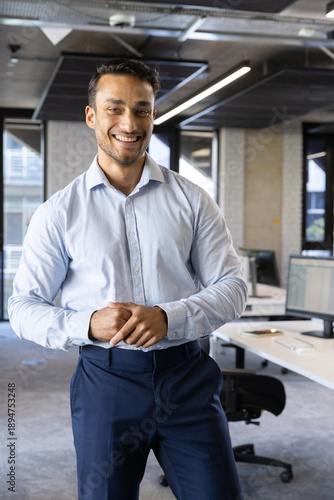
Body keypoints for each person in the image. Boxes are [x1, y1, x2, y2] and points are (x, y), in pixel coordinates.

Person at [8, 58, 247, 500]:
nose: (129, 123)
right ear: (92, 116)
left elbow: (233, 287)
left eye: (142, 109)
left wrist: (167, 317)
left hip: (186, 380)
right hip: (107, 383)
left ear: (154, 115)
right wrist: (85, 324)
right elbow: (22, 307)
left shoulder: (193, 200)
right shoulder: (59, 213)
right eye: (115, 108)